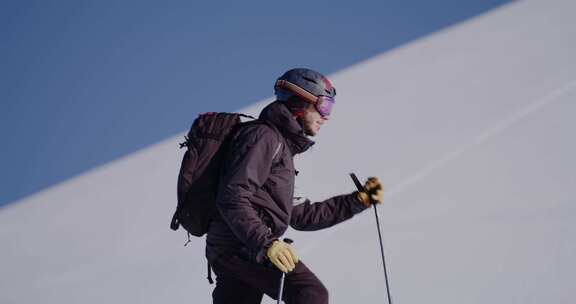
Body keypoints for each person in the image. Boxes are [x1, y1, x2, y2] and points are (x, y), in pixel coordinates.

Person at [206, 68, 383, 304]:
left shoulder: (283, 151)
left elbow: (302, 215)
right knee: (309, 293)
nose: (326, 116)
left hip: (237, 247)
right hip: (241, 246)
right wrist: (266, 243)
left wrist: (357, 201)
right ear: (301, 102)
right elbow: (232, 196)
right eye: (324, 105)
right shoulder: (264, 137)